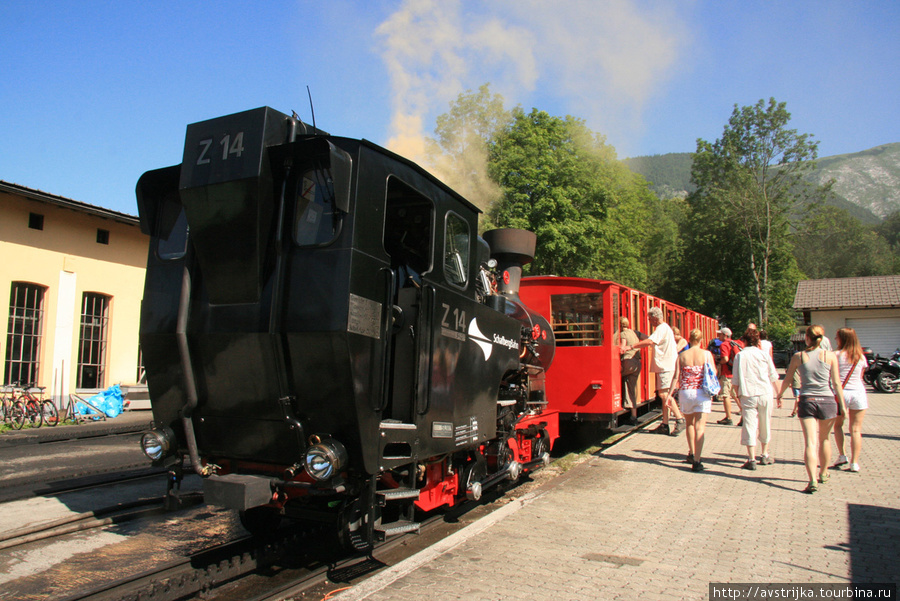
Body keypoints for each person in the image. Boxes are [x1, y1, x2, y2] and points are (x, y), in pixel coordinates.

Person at [776, 325, 847, 494]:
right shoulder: (830, 356)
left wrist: (780, 394)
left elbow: (787, 379)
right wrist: (842, 404)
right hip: (827, 400)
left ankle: (812, 479)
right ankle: (823, 472)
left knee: (810, 442)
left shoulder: (798, 356)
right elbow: (836, 382)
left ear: (806, 338)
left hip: (807, 400)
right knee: (825, 440)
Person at [622, 307, 684, 436]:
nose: (649, 321)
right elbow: (651, 339)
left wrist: (631, 346)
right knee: (663, 396)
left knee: (664, 395)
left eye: (650, 319)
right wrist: (638, 335)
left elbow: (650, 341)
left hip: (665, 366)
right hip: (665, 365)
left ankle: (679, 419)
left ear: (655, 318)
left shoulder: (662, 328)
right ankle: (665, 424)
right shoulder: (665, 328)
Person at [666, 328, 715, 472]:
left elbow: (676, 377)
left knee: (689, 424)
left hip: (686, 393)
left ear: (689, 339)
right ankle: (697, 461)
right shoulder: (707, 354)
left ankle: (691, 452)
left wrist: (669, 394)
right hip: (702, 393)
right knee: (700, 426)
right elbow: (714, 373)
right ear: (701, 340)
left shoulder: (682, 356)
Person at [732, 328, 780, 470]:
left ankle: (751, 458)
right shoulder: (764, 355)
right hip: (765, 393)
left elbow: (735, 381)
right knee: (765, 423)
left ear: (744, 341)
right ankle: (764, 454)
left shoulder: (740, 356)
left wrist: (738, 398)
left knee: (749, 425)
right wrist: (779, 395)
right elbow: (773, 376)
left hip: (748, 394)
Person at [832, 327, 868, 472]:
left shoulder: (836, 355)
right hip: (858, 392)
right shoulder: (860, 356)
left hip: (841, 393)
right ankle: (854, 462)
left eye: (837, 337)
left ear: (842, 339)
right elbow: (861, 377)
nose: (835, 339)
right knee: (856, 429)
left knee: (838, 425)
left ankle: (842, 454)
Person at [616, 317, 642, 425]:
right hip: (637, 363)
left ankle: (616, 404)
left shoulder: (623, 334)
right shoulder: (633, 333)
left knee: (613, 377)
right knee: (631, 389)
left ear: (620, 325)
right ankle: (633, 416)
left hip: (628, 362)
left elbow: (622, 348)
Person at [715, 328, 739, 425]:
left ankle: (728, 417)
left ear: (725, 335)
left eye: (720, 334)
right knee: (734, 394)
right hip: (735, 373)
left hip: (726, 373)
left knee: (725, 396)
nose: (718, 336)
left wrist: (718, 361)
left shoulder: (724, 344)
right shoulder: (734, 343)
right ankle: (743, 412)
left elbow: (725, 359)